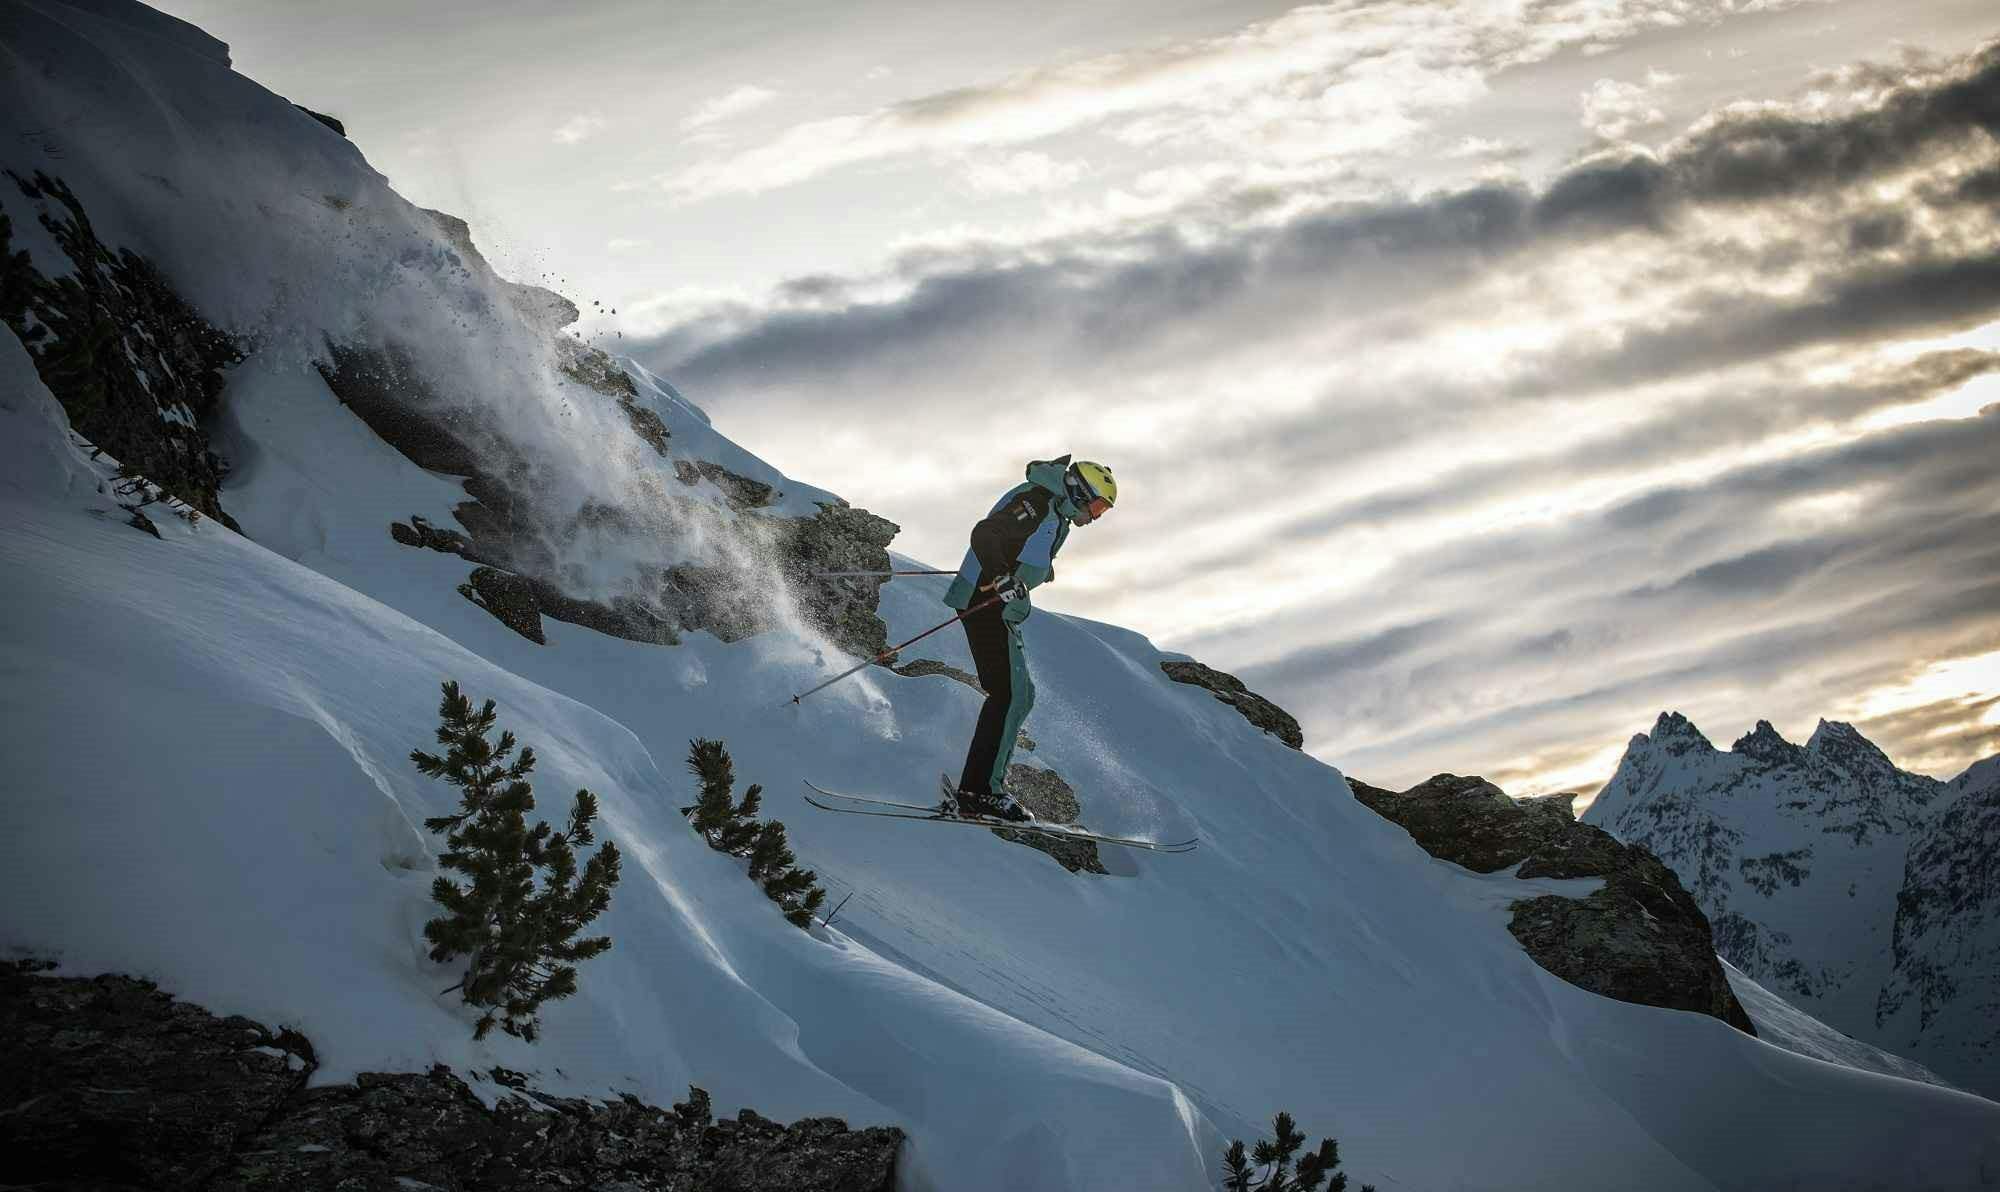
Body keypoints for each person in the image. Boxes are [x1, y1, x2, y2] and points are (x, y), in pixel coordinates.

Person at [941, 455, 1117, 820]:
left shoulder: (1055, 511)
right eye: (1097, 506)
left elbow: (1022, 549)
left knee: (1018, 695)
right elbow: (986, 534)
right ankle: (980, 792)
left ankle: (981, 787)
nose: (1096, 516)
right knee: (1010, 694)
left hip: (996, 605)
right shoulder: (1037, 501)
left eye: (1103, 511)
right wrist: (1001, 576)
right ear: (1079, 491)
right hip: (985, 601)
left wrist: (1019, 575)